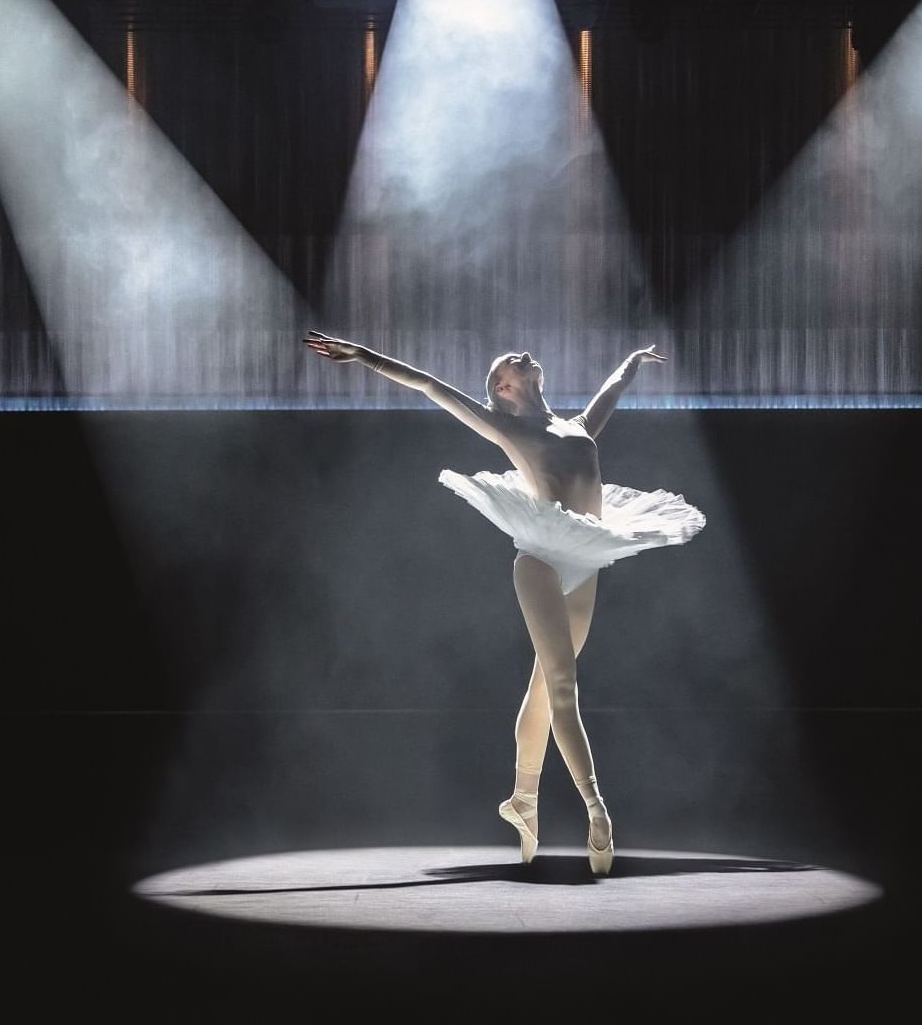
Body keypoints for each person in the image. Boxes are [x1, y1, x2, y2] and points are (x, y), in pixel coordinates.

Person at [303, 330, 706, 875]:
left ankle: (521, 799)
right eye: (510, 361)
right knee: (564, 685)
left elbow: (610, 392)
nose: (523, 353)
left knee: (545, 686)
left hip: (585, 558)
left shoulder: (576, 425)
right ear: (503, 386)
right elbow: (428, 385)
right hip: (540, 560)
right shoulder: (508, 427)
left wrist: (631, 362)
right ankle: (596, 808)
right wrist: (364, 355)